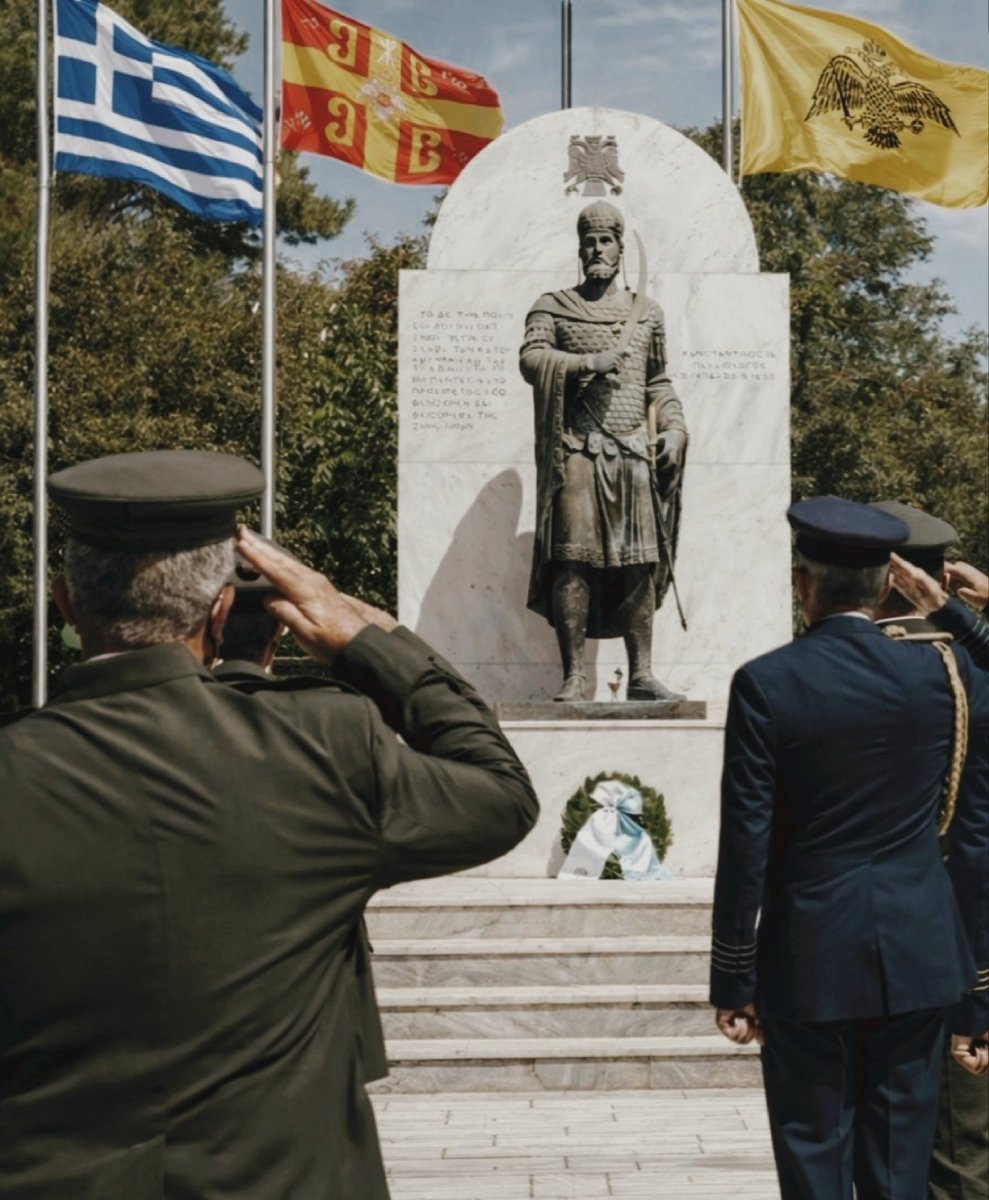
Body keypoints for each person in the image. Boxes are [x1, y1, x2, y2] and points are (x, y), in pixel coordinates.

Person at [0, 449, 539, 1200]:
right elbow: (501, 794)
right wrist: (365, 639)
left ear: (63, 602)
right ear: (221, 611)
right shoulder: (320, 746)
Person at [710, 496, 989, 1200]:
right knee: (899, 1162)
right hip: (919, 951)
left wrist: (732, 977)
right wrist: (954, 613)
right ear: (889, 585)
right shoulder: (945, 676)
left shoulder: (766, 682)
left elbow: (746, 842)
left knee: (813, 1148)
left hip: (810, 954)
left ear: (804, 583)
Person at [212, 547, 388, 1086]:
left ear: (215, 618)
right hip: (315, 998)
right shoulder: (331, 723)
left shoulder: (161, 718)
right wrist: (376, 645)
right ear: (282, 632)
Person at [519, 199, 688, 702]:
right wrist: (587, 360)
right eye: (589, 241)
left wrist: (675, 428)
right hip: (575, 452)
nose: (597, 249)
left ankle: (640, 674)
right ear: (580, 249)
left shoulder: (648, 316)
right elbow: (531, 359)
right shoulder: (553, 306)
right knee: (573, 562)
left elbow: (658, 382)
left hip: (632, 453)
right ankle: (574, 675)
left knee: (639, 562)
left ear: (620, 247)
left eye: (606, 240)